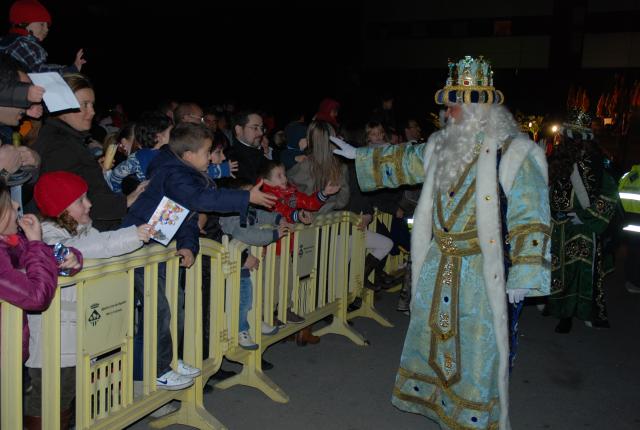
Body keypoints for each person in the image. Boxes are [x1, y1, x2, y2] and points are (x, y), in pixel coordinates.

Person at [332, 55, 551, 429]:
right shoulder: (441, 145)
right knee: (434, 338)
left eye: (454, 105)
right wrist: (361, 157)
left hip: (481, 269)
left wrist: (525, 273)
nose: (447, 113)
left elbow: (531, 212)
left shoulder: (515, 152)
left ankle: (474, 416)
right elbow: (406, 158)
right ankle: (441, 406)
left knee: (476, 349)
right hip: (439, 263)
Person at [121, 123, 275, 388]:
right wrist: (244, 197)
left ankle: (169, 360)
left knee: (176, 306)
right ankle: (157, 369)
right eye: (207, 152)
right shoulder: (174, 175)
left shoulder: (183, 173)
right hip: (140, 251)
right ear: (189, 155)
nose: (211, 159)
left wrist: (188, 245)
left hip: (158, 251)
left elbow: (186, 216)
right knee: (159, 311)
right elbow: (201, 200)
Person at [25, 171, 150, 429]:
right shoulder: (47, 236)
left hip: (79, 333)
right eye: (80, 200)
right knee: (49, 394)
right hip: (54, 338)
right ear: (61, 208)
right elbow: (91, 248)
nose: (89, 204)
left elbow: (97, 245)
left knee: (71, 392)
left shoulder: (85, 230)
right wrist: (132, 236)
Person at [32, 73, 145, 231]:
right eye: (84, 105)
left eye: (92, 105)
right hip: (93, 234)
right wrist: (127, 201)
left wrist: (95, 171)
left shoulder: (67, 139)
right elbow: (68, 204)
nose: (92, 112)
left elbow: (79, 181)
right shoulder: (58, 146)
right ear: (61, 107)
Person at [546, 110, 620, 332]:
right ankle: (562, 311)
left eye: (578, 138)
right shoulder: (556, 159)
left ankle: (578, 312)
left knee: (581, 272)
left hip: (583, 226)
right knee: (559, 271)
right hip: (557, 225)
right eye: (571, 138)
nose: (573, 143)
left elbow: (610, 193)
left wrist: (586, 217)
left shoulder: (596, 162)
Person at [0, 178, 60, 364]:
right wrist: (35, 242)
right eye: (8, 202)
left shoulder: (10, 242)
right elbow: (37, 296)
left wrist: (70, 256)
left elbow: (40, 255)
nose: (17, 205)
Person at [0, 0, 85, 74]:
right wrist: (69, 70)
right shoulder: (21, 44)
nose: (47, 29)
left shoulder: (12, 42)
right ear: (23, 23)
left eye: (47, 26)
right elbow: (38, 72)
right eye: (42, 24)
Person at [227, 110, 270, 183]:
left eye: (261, 128)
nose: (261, 133)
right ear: (238, 129)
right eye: (255, 128)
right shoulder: (231, 160)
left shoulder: (259, 152)